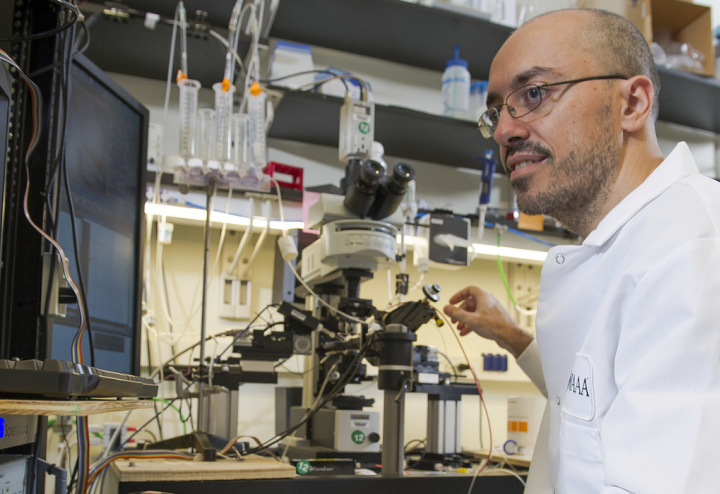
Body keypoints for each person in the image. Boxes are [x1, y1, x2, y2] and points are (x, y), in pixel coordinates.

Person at [443, 9, 720, 493]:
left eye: (534, 94)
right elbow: (588, 408)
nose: (504, 131)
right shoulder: (621, 242)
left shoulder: (693, 250)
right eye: (496, 111)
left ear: (631, 104)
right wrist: (511, 334)